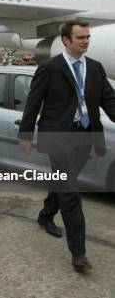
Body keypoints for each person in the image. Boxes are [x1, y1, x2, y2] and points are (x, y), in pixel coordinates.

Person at [18, 20, 115, 271]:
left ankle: (46, 214)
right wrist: (25, 135)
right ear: (66, 40)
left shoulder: (95, 68)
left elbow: (110, 101)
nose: (86, 41)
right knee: (70, 193)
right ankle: (79, 253)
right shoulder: (50, 68)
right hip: (57, 136)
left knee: (63, 181)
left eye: (88, 37)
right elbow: (33, 101)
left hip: (85, 136)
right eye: (81, 37)